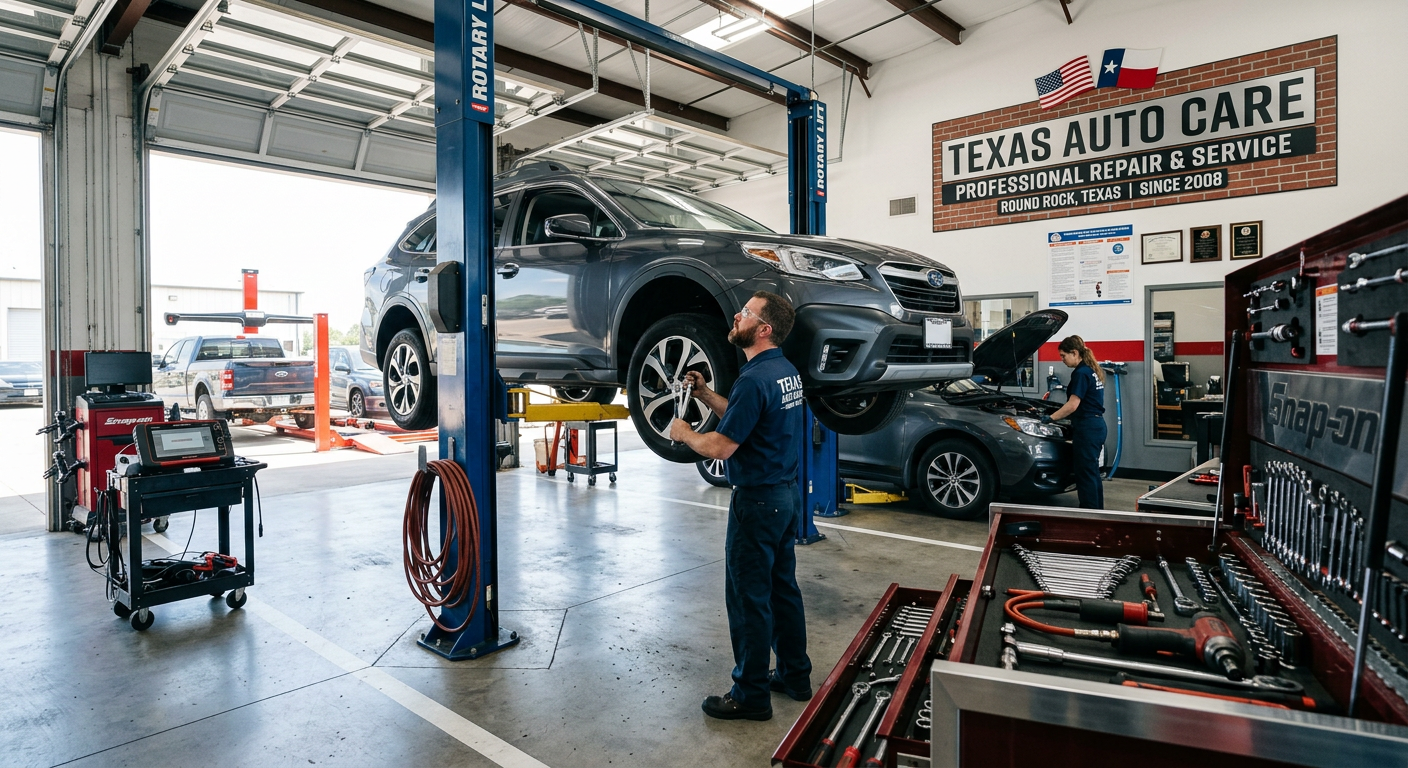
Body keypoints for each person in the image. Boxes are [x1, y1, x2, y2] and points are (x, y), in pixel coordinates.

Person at [670, 290, 811, 721]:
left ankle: (750, 694)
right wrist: (708, 394)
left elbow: (722, 446)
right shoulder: (782, 371)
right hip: (784, 498)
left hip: (758, 502)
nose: (737, 315)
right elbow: (747, 415)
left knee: (749, 598)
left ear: (763, 329)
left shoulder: (754, 378)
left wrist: (685, 433)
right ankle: (794, 676)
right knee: (782, 589)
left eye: (746, 313)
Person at [1043, 335, 1107, 509]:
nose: (1062, 359)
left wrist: (1050, 418)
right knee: (1092, 472)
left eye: (1063, 356)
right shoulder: (1090, 370)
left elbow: (1072, 405)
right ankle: (1096, 510)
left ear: (1075, 353)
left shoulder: (1080, 373)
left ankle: (1088, 512)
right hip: (1096, 426)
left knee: (1085, 474)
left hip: (1087, 428)